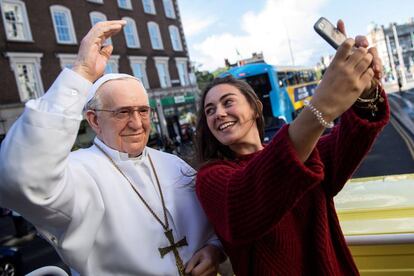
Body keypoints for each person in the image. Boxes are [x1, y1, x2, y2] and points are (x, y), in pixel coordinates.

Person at [0, 20, 223, 276]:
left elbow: (215, 223)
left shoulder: (174, 164)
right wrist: (82, 72)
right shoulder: (78, 173)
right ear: (94, 120)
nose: (137, 123)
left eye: (143, 111)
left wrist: (214, 249)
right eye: (123, 112)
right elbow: (17, 179)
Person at [194, 20, 390, 275]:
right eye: (209, 111)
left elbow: (353, 138)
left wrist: (367, 90)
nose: (218, 114)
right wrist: (322, 105)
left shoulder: (309, 152)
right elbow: (244, 200)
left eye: (227, 102)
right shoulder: (211, 178)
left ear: (255, 108)